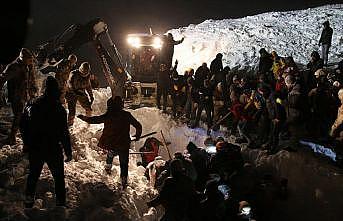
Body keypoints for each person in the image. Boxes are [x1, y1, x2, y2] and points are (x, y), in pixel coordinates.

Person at [19, 76, 72, 208]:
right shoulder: (60, 109)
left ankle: (28, 201)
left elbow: (22, 124)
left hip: (36, 147)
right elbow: (64, 133)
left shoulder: (32, 104)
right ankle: (60, 204)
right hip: (53, 148)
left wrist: (26, 142)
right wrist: (68, 151)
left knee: (33, 175)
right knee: (59, 178)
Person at [78, 96, 142, 188]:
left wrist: (84, 118)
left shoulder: (108, 115)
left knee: (110, 154)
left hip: (111, 144)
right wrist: (137, 136)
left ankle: (108, 168)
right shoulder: (126, 115)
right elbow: (138, 126)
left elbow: (95, 120)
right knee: (124, 163)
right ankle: (124, 180)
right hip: (123, 144)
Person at [0, 48, 38, 144]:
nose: (31, 62)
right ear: (23, 58)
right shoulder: (14, 67)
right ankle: (12, 138)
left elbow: (31, 79)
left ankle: (20, 135)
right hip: (16, 96)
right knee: (19, 116)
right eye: (29, 60)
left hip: (25, 95)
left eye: (31, 60)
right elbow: (3, 78)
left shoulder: (28, 66)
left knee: (23, 116)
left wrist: (33, 90)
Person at [66, 62, 94, 126]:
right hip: (71, 93)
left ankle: (88, 122)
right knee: (72, 111)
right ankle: (70, 125)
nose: (84, 74)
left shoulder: (87, 76)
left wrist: (91, 95)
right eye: (84, 72)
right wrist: (75, 92)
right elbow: (70, 84)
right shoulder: (73, 74)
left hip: (81, 92)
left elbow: (88, 86)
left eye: (86, 73)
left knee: (89, 109)